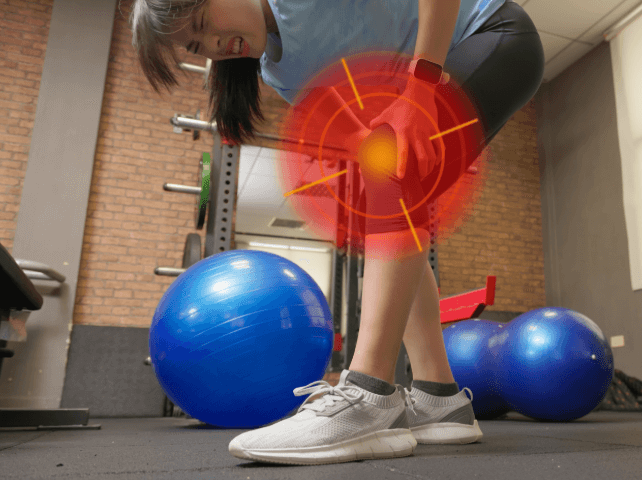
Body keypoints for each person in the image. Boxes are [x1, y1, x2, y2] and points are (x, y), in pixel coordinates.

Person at [130, 0, 543, 465]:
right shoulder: (278, 73)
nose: (215, 47)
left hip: (492, 35)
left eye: (204, 25)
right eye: (196, 45)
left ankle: (368, 395)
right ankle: (439, 399)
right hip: (434, 75)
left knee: (394, 167)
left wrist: (420, 87)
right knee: (382, 208)